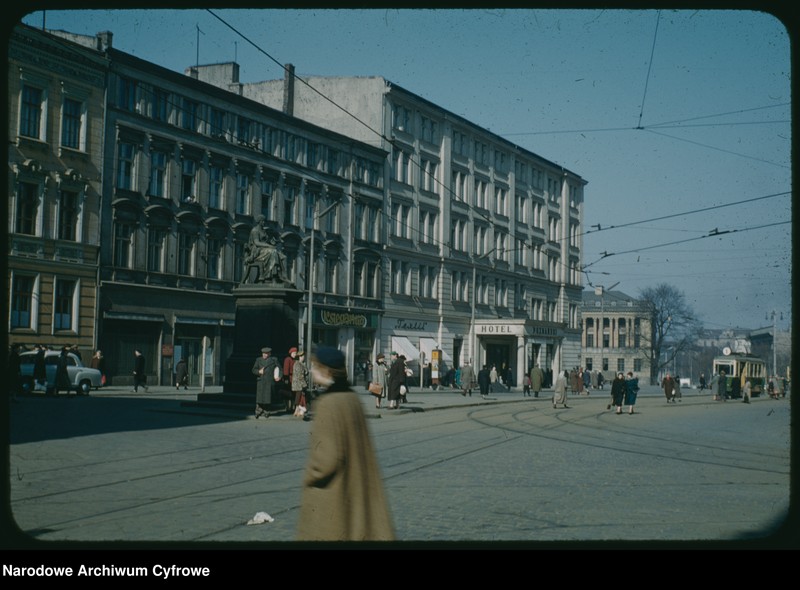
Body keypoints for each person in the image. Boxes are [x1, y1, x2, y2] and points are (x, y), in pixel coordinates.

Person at [296, 346, 395, 541]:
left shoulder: (326, 403)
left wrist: (309, 476)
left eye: (316, 367)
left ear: (327, 371)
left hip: (333, 494)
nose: (312, 370)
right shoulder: (351, 398)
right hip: (355, 488)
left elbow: (325, 460)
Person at [252, 347, 280, 419]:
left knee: (267, 397)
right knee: (260, 398)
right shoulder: (258, 360)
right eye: (263, 353)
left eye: (266, 354)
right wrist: (258, 372)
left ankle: (266, 411)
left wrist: (279, 376)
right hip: (261, 381)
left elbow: (279, 368)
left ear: (269, 354)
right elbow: (253, 370)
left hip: (269, 381)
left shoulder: (274, 360)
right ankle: (258, 411)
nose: (264, 355)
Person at [292, 350, 309, 417]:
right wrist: (304, 384)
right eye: (302, 356)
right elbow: (300, 376)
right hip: (299, 384)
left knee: (299, 397)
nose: (303, 357)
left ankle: (297, 411)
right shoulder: (298, 364)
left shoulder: (301, 364)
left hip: (299, 384)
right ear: (299, 357)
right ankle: (296, 411)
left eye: (303, 356)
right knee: (298, 397)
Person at [283, 347, 298, 413]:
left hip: (294, 378)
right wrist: (286, 379)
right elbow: (286, 370)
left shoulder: (295, 360)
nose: (295, 354)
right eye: (294, 353)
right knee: (288, 393)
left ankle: (292, 407)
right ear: (291, 353)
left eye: (295, 353)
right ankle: (288, 407)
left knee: (293, 394)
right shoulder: (288, 359)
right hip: (289, 378)